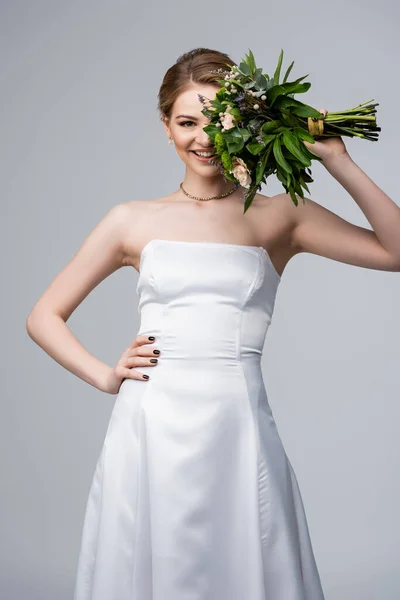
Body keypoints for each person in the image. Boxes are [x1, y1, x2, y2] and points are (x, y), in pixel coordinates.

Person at [26, 47, 400, 600]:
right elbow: (43, 316)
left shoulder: (279, 215)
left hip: (238, 423)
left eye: (215, 120)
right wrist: (106, 376)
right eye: (186, 122)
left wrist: (338, 160)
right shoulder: (131, 220)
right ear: (166, 127)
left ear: (246, 122)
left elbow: (395, 252)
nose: (202, 138)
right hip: (150, 424)